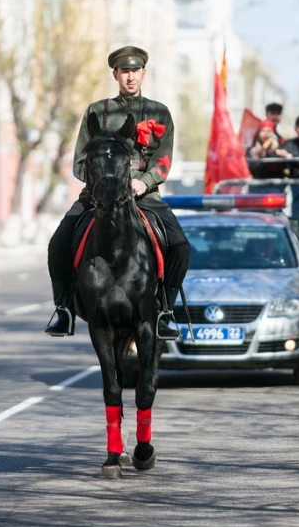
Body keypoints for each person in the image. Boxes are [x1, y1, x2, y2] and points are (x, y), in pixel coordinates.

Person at [45, 45, 190, 340]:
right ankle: (65, 310)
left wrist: (143, 182)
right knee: (58, 243)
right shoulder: (97, 111)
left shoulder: (160, 112)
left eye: (135, 71)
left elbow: (163, 161)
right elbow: (80, 163)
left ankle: (164, 311)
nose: (130, 77)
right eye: (125, 72)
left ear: (144, 74)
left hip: (145, 196)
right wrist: (103, 185)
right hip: (97, 196)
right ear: (115, 74)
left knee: (181, 246)